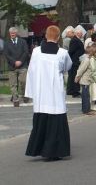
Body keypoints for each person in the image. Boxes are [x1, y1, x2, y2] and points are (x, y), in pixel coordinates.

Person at [25, 26, 72, 161]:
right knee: (56, 122)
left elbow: (31, 71)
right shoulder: (62, 53)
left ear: (46, 36)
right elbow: (66, 67)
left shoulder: (36, 52)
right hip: (55, 93)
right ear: (58, 37)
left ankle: (39, 148)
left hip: (41, 92)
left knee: (41, 122)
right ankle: (54, 151)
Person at [75, 42, 96, 115]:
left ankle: (86, 109)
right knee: (85, 96)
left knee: (86, 95)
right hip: (85, 80)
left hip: (87, 80)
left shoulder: (88, 59)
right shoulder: (87, 60)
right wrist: (77, 77)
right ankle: (86, 110)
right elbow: (81, 69)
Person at [4, 27, 29, 107]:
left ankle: (24, 95)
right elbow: (6, 55)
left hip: (23, 66)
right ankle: (15, 99)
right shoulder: (6, 43)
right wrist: (14, 62)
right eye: (11, 33)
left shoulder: (23, 42)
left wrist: (20, 61)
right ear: (9, 33)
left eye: (14, 33)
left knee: (23, 82)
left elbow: (26, 52)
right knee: (13, 84)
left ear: (16, 33)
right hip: (12, 67)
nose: (12, 34)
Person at [67, 28, 85, 98]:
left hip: (76, 60)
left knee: (74, 76)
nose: (82, 34)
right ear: (78, 33)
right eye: (81, 33)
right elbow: (71, 51)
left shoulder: (76, 39)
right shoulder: (74, 40)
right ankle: (75, 91)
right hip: (75, 61)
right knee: (75, 76)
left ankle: (73, 90)